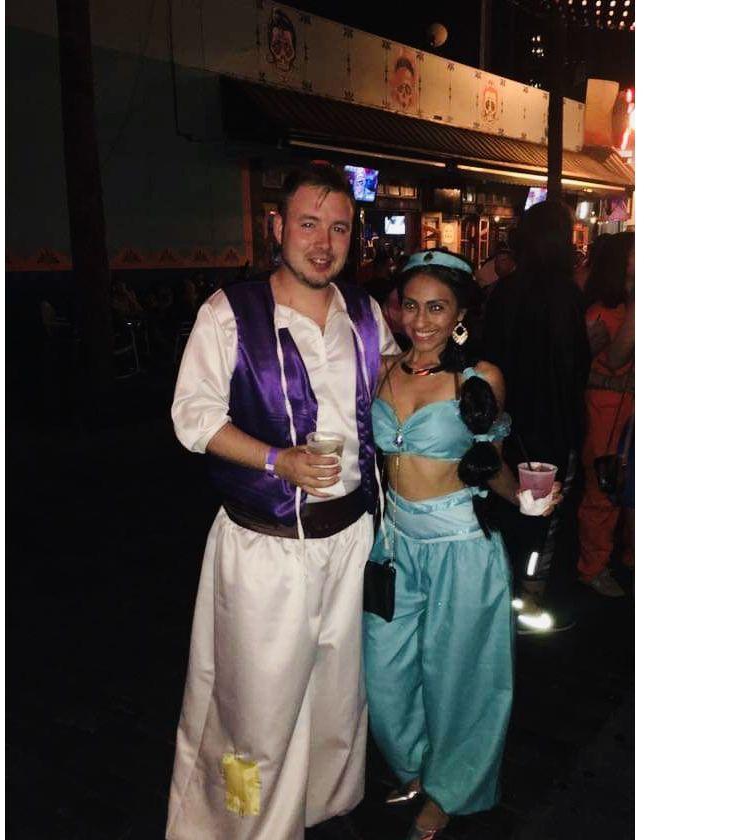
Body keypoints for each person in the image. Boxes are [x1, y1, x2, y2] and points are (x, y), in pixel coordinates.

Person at [165, 163, 398, 840]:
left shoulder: (364, 312)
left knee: (337, 693)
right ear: (278, 227)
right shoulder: (229, 313)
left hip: (351, 540)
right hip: (264, 548)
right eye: (308, 224)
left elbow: (386, 385)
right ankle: (237, 823)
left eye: (339, 229)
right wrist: (277, 459)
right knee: (253, 709)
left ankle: (318, 804)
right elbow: (193, 418)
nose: (323, 243)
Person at [363, 249, 561, 838]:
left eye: (436, 308)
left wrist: (524, 499)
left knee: (460, 678)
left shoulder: (480, 379)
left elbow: (491, 463)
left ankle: (450, 789)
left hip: (461, 548)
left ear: (459, 315)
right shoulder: (381, 370)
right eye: (410, 306)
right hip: (393, 547)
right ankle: (415, 766)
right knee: (385, 672)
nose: (420, 321)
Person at [483, 200, 591, 628]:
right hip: (551, 423)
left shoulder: (504, 291)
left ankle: (505, 593)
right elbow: (573, 367)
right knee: (545, 513)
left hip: (507, 421)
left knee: (507, 505)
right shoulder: (566, 295)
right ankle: (530, 600)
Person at [577, 232, 635, 596]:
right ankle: (593, 567)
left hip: (628, 410)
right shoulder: (601, 311)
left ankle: (629, 554)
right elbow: (615, 359)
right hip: (606, 412)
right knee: (604, 487)